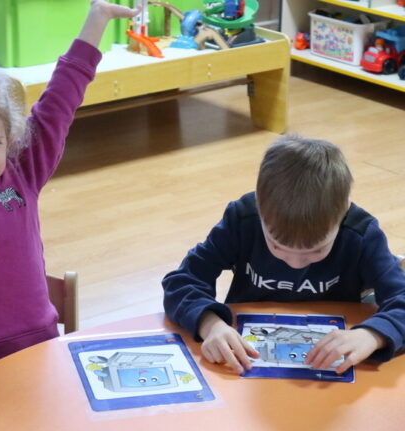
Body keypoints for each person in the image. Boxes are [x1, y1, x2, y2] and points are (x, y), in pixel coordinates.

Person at [0, 1, 139, 379]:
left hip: (37, 351)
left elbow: (60, 100)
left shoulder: (22, 171)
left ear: (11, 140)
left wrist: (97, 19)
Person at [162, 135, 405, 375]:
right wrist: (210, 324)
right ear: (260, 209)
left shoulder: (362, 235)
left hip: (331, 366)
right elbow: (182, 282)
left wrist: (372, 335)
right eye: (277, 246)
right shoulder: (243, 220)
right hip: (249, 361)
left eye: (316, 250)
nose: (295, 263)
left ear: (343, 214)